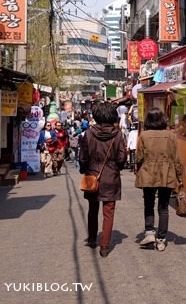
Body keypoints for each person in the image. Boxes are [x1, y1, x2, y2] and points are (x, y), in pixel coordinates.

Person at [78, 103, 128, 258]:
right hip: (111, 175)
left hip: (93, 174)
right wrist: (116, 168)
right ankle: (105, 246)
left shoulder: (88, 134)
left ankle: (93, 238)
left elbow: (83, 157)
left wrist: (84, 169)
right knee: (109, 212)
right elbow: (122, 158)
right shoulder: (118, 134)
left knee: (93, 209)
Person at [134, 107, 183, 252]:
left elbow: (138, 157)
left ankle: (149, 232)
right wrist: (179, 176)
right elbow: (176, 158)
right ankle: (161, 239)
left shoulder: (143, 135)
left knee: (148, 204)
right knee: (164, 207)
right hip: (167, 173)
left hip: (148, 172)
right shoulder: (171, 136)